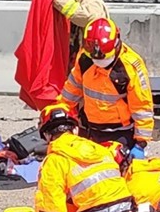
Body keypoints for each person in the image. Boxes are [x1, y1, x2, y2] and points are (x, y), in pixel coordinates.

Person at [58, 18, 154, 156]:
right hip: (89, 129)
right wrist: (59, 116)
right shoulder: (85, 58)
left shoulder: (130, 66)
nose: (98, 62)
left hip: (120, 133)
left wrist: (141, 143)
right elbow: (71, 91)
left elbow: (142, 107)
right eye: (95, 59)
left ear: (116, 46)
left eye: (103, 59)